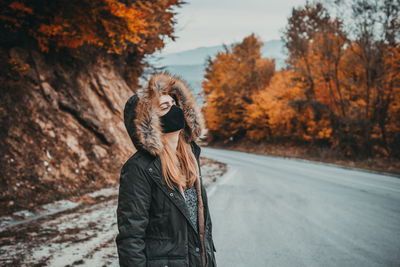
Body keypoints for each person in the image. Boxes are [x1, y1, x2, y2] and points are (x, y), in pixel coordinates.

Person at [115, 73, 217, 267]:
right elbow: (131, 238)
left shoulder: (190, 158)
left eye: (174, 103)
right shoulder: (139, 169)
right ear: (150, 123)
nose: (175, 110)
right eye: (165, 107)